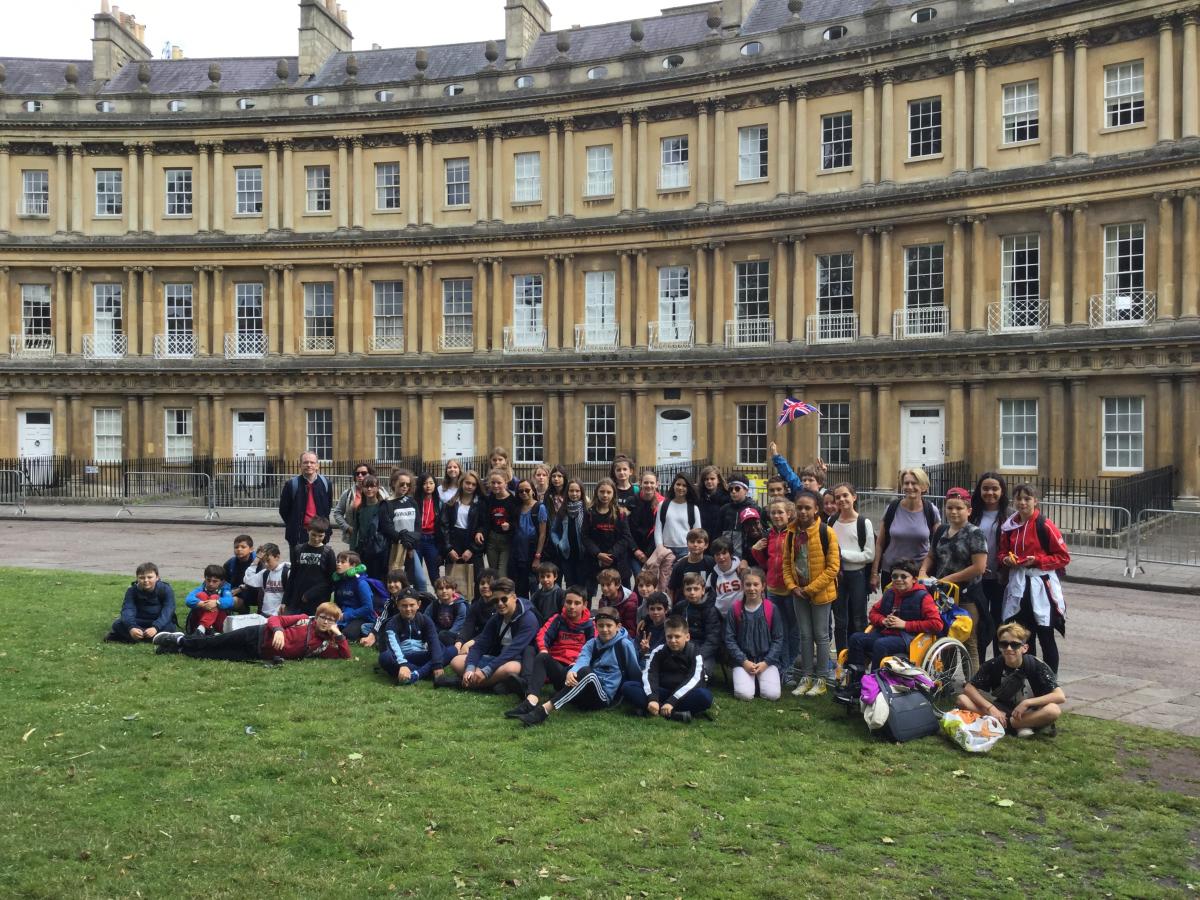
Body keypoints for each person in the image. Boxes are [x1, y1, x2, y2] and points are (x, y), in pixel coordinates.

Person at [515, 606, 641, 726]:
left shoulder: (624, 645)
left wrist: (638, 697)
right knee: (544, 657)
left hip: (601, 696)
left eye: (609, 625)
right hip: (582, 687)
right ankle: (531, 700)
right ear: (596, 626)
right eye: (601, 625)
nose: (604, 629)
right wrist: (572, 671)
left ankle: (545, 709)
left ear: (618, 627)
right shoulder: (592, 643)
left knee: (587, 673)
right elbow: (582, 660)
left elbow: (634, 671)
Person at [999, 483, 1070, 674]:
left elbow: (1063, 557)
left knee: (1046, 636)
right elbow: (1002, 552)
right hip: (1019, 586)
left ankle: (1049, 680)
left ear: (1035, 501)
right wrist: (1006, 559)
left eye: (1027, 499)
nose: (1022, 503)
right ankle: (1028, 676)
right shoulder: (1009, 526)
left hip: (1041, 587)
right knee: (1024, 636)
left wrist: (1037, 560)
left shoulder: (1044, 525)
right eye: (1018, 498)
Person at [919, 487, 989, 670]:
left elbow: (979, 567)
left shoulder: (975, 533)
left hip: (967, 594)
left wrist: (949, 579)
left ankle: (972, 681)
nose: (954, 512)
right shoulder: (941, 530)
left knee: (968, 639)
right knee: (945, 637)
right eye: (950, 508)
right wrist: (923, 571)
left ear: (969, 510)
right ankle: (946, 680)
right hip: (943, 595)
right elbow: (931, 555)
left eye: (959, 508)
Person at [957, 622, 1064, 737]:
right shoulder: (994, 664)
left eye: (1015, 645)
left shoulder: (1036, 665)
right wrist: (991, 708)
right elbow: (969, 688)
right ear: (999, 647)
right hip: (1001, 708)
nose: (1009, 648)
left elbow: (1059, 696)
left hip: (1029, 710)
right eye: (1004, 644)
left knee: (1053, 710)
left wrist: (1027, 703)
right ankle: (1019, 725)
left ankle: (1009, 724)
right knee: (962, 700)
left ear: (1024, 648)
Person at [152, 602, 351, 663]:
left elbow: (346, 655)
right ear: (317, 616)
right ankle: (179, 640)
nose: (325, 621)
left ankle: (178, 650)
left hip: (258, 653)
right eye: (323, 617)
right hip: (257, 634)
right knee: (215, 642)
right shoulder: (303, 619)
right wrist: (278, 631)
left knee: (214, 654)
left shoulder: (324, 645)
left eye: (331, 619)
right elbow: (274, 619)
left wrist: (338, 635)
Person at [782, 490, 840, 697]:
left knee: (821, 635)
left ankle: (821, 678)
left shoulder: (826, 532)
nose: (803, 512)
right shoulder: (791, 533)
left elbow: (833, 567)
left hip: (820, 593)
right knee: (805, 635)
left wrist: (810, 589)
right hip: (799, 593)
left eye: (808, 508)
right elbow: (786, 564)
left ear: (816, 509)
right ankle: (806, 676)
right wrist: (793, 587)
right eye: (799, 507)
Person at [505, 586, 594, 719]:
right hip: (556, 667)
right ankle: (531, 701)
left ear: (585, 604)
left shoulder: (590, 626)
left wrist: (576, 667)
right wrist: (543, 649)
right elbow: (542, 635)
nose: (572, 607)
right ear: (564, 602)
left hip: (575, 671)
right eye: (568, 602)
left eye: (577, 603)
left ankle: (526, 687)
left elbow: (594, 650)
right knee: (535, 652)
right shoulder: (558, 619)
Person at [844, 559, 942, 673]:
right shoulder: (890, 593)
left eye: (903, 576)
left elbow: (937, 624)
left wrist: (905, 624)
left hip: (909, 638)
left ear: (914, 579)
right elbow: (873, 613)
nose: (898, 579)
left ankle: (875, 680)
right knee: (856, 638)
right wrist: (883, 621)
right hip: (885, 633)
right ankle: (856, 678)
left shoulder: (923, 597)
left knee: (881, 644)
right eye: (895, 576)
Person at [450, 578, 539, 691]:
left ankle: (466, 683)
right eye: (496, 601)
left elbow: (512, 651)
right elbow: (480, 645)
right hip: (496, 659)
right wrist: (470, 668)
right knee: (456, 661)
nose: (500, 604)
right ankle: (494, 684)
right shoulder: (496, 618)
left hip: (518, 660)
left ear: (514, 597)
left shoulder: (529, 619)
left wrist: (486, 671)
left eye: (504, 599)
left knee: (511, 669)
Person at [621, 615, 713, 722]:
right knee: (628, 686)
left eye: (677, 637)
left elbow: (693, 679)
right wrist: (653, 698)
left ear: (687, 637)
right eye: (669, 637)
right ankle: (673, 713)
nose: (673, 640)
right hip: (661, 692)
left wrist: (672, 701)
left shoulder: (695, 653)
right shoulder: (658, 651)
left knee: (705, 696)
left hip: (684, 695)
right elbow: (650, 674)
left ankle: (656, 710)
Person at [871, 467, 941, 594]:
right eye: (906, 483)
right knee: (892, 605)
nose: (909, 487)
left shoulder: (931, 511)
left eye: (914, 483)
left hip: (919, 574)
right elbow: (880, 543)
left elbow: (937, 546)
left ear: (924, 487)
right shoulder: (892, 508)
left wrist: (926, 571)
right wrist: (874, 573)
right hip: (892, 572)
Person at [828, 482, 875, 660]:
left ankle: (860, 657)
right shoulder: (832, 521)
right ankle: (842, 657)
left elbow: (869, 555)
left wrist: (841, 554)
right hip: (837, 576)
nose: (841, 499)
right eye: (838, 497)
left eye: (845, 495)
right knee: (840, 619)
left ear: (854, 497)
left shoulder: (864, 523)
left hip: (857, 575)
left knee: (859, 618)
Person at [751, 499, 796, 683]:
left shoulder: (794, 533)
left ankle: (791, 666)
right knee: (779, 630)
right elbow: (765, 563)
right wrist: (755, 551)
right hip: (773, 589)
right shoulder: (769, 534)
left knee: (793, 630)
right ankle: (783, 667)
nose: (777, 516)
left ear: (789, 514)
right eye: (773, 513)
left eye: (780, 512)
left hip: (791, 589)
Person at [723, 568, 785, 702]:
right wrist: (743, 661)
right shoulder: (735, 609)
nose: (752, 588)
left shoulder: (771, 609)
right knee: (744, 695)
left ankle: (760, 681)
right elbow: (729, 639)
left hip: (766, 661)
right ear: (742, 586)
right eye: (748, 584)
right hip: (743, 661)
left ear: (763, 586)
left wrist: (766, 662)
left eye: (756, 584)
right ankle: (751, 682)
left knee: (772, 695)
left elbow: (778, 639)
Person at [969, 472, 1011, 662]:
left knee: (999, 624)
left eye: (995, 489)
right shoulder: (972, 513)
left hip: (1001, 579)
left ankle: (999, 665)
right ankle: (979, 668)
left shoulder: (1010, 515)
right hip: (977, 579)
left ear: (1002, 491)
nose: (990, 492)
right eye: (985, 488)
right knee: (979, 624)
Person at [648, 473, 701, 592]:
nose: (680, 488)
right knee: (665, 585)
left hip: (685, 551)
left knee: (684, 586)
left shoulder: (693, 508)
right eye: (678, 484)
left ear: (688, 488)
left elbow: (697, 534)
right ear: (673, 485)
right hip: (666, 551)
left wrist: (691, 553)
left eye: (684, 485)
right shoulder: (663, 505)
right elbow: (658, 528)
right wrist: (660, 548)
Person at [581, 478, 634, 595]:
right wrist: (598, 554)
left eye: (608, 492)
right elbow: (584, 536)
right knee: (588, 594)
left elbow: (626, 537)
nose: (605, 495)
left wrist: (611, 555)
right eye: (602, 491)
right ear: (597, 492)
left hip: (617, 560)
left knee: (622, 594)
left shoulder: (620, 513)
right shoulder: (589, 513)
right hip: (594, 560)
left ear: (614, 494)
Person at [438, 469, 486, 598]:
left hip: (472, 543)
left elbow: (484, 526)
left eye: (473, 484)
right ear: (461, 483)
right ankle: (456, 605)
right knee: (454, 581)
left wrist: (472, 549)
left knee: (478, 579)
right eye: (467, 483)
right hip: (455, 543)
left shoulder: (480, 504)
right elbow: (444, 526)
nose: (470, 486)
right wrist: (449, 548)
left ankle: (475, 606)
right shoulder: (451, 503)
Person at [378, 593, 444, 685]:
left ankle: (416, 674)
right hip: (404, 656)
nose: (408, 609)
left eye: (411, 605)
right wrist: (403, 664)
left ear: (418, 604)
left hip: (422, 654)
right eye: (404, 606)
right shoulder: (392, 623)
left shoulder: (425, 620)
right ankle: (426, 672)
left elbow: (433, 640)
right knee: (384, 657)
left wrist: (437, 664)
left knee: (448, 649)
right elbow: (394, 645)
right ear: (398, 605)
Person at [278, 451, 333, 555]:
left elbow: (327, 508)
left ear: (317, 465)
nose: (309, 465)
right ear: (300, 465)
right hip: (298, 535)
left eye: (312, 462)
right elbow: (284, 510)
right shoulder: (291, 484)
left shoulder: (326, 484)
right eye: (305, 462)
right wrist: (294, 524)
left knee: (319, 564)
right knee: (297, 564)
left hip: (319, 533)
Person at [108, 562, 177, 643]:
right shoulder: (132, 590)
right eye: (142, 577)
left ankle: (134, 638)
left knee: (170, 627)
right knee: (117, 624)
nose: (146, 580)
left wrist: (156, 627)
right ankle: (152, 637)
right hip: (138, 620)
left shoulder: (165, 589)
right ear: (137, 578)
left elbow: (168, 610)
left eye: (150, 577)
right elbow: (127, 610)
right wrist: (131, 627)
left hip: (158, 620)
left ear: (157, 577)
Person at [670, 572, 722, 676]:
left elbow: (712, 641)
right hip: (681, 648)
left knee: (699, 672)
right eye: (688, 589)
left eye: (696, 589)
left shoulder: (711, 611)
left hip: (703, 652)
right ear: (684, 591)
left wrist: (696, 656)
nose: (692, 592)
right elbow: (670, 626)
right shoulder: (680, 607)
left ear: (703, 590)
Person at [285, 516, 336, 615]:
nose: (316, 539)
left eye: (320, 536)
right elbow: (293, 575)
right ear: (308, 531)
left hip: (318, 600)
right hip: (297, 599)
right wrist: (285, 601)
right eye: (313, 535)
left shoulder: (328, 552)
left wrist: (311, 594)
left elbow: (331, 580)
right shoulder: (298, 549)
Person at [331, 463, 389, 546]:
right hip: (356, 537)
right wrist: (347, 528)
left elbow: (388, 512)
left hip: (378, 538)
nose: (360, 476)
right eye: (357, 473)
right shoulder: (348, 493)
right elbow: (337, 512)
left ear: (370, 474)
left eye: (364, 473)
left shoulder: (381, 492)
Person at [379, 469, 419, 587]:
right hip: (394, 547)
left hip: (410, 547)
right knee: (394, 581)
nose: (405, 487)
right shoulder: (386, 504)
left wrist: (411, 543)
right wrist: (402, 539)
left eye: (408, 484)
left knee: (412, 581)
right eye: (402, 484)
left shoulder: (412, 502)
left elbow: (417, 525)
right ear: (393, 483)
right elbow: (387, 527)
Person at [360, 569, 417, 648]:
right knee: (365, 627)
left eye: (395, 582)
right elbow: (381, 619)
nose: (392, 585)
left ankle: (381, 640)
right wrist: (372, 634)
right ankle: (377, 639)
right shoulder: (389, 601)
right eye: (389, 582)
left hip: (406, 629)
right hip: (390, 627)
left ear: (402, 583)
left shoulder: (409, 599)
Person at [511, 478, 548, 596]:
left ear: (533, 491)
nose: (524, 493)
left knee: (533, 587)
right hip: (518, 554)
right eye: (520, 491)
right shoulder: (517, 508)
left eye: (527, 490)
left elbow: (542, 534)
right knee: (520, 588)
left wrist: (538, 556)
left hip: (532, 553)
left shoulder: (540, 507)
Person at [349, 475, 389, 581]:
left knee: (378, 578)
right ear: (362, 488)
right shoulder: (360, 508)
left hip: (378, 548)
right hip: (363, 548)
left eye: (372, 486)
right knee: (363, 577)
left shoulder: (383, 506)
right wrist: (352, 551)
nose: (369, 489)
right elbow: (355, 530)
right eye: (366, 486)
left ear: (378, 488)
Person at [549, 478, 588, 588]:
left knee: (582, 587)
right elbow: (553, 531)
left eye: (577, 491)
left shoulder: (587, 511)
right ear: (567, 492)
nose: (574, 494)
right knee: (570, 586)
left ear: (582, 492)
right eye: (571, 491)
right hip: (567, 555)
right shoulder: (562, 511)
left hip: (583, 555)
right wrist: (558, 543)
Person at [332, 550, 377, 641]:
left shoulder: (361, 583)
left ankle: (367, 628)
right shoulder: (340, 581)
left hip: (361, 617)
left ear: (353, 565)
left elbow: (368, 608)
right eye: (338, 561)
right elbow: (337, 603)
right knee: (329, 629)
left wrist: (346, 615)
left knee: (348, 634)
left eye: (343, 562)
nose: (338, 564)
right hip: (343, 614)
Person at [411, 473, 443, 593]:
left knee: (434, 574)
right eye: (425, 483)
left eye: (431, 483)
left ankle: (440, 598)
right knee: (417, 575)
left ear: (435, 485)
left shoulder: (439, 502)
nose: (428, 486)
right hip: (417, 540)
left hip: (432, 540)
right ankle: (418, 599)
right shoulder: (414, 501)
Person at [627, 470, 662, 579]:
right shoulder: (631, 501)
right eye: (646, 482)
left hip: (653, 551)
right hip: (634, 550)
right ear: (640, 483)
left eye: (652, 483)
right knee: (640, 579)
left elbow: (660, 530)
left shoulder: (662, 503)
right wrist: (635, 550)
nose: (649, 485)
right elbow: (626, 528)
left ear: (657, 484)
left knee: (649, 583)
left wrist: (648, 554)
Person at [483, 468, 517, 577]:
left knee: (502, 574)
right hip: (492, 540)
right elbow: (486, 520)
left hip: (506, 541)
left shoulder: (513, 500)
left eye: (499, 483)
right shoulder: (490, 499)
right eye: (493, 483)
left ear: (506, 483)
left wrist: (510, 525)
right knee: (493, 573)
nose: (495, 485)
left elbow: (517, 521)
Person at [184, 564, 234, 635]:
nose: (211, 584)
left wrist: (216, 602)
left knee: (215, 597)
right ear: (205, 578)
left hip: (218, 624)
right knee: (201, 595)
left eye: (215, 581)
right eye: (208, 580)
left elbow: (230, 601)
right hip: (197, 623)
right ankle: (208, 628)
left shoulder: (225, 590)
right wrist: (201, 604)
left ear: (221, 581)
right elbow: (188, 599)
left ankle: (202, 628)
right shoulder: (201, 588)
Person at [666, 528, 714, 602]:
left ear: (706, 545)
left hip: (707, 603)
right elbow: (671, 589)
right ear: (687, 544)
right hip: (685, 604)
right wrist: (670, 607)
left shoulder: (711, 562)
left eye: (699, 542)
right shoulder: (679, 566)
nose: (695, 544)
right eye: (692, 541)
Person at [241, 543, 288, 617]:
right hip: (265, 614)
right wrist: (257, 559)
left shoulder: (287, 572)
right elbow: (248, 579)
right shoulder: (265, 573)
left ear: (277, 557)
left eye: (268, 560)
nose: (265, 564)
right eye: (263, 561)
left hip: (280, 616)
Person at [427, 574, 470, 652]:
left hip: (455, 636)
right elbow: (426, 619)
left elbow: (458, 625)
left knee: (443, 635)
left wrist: (441, 636)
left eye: (447, 588)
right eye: (440, 588)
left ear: (453, 590)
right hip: (438, 634)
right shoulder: (434, 605)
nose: (444, 591)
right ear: (436, 592)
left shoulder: (460, 605)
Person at [597, 567, 638, 634]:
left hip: (624, 635)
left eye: (608, 584)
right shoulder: (602, 601)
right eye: (602, 585)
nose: (604, 588)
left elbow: (631, 629)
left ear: (617, 585)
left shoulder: (629, 602)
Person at [225, 534, 258, 612]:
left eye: (243, 547)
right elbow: (222, 580)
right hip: (236, 595)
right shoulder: (230, 563)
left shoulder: (259, 563)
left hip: (255, 594)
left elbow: (260, 583)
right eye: (236, 547)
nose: (239, 549)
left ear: (251, 549)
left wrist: (240, 589)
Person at [696, 465, 730, 541]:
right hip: (702, 538)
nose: (709, 481)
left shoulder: (726, 498)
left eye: (712, 479)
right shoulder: (699, 497)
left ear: (718, 480)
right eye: (706, 479)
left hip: (719, 539)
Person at [636, 591, 671, 658]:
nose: (655, 612)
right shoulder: (643, 627)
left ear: (666, 610)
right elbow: (636, 650)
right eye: (652, 609)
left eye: (659, 609)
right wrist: (643, 651)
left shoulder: (671, 628)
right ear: (648, 610)